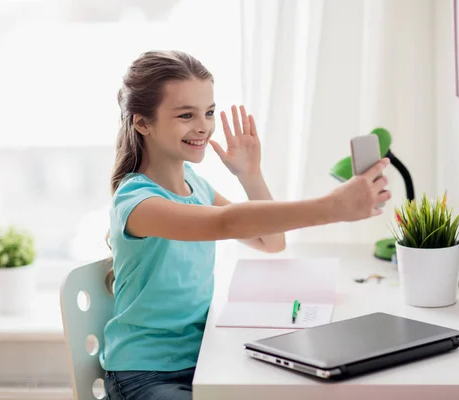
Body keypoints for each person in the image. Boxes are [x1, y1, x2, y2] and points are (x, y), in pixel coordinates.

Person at [102, 50, 391, 400]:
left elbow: (271, 242)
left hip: (205, 359)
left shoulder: (197, 186)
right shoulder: (138, 202)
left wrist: (251, 176)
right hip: (145, 374)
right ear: (142, 122)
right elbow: (225, 224)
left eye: (208, 113)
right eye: (185, 115)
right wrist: (333, 207)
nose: (203, 127)